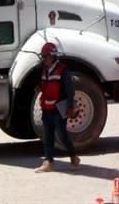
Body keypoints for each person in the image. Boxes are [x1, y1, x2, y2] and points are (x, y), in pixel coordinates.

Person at [35, 42, 81, 173]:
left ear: (53, 56)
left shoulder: (62, 70)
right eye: (43, 56)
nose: (44, 59)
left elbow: (69, 90)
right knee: (47, 136)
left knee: (62, 135)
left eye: (46, 56)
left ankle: (73, 156)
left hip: (58, 109)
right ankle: (48, 162)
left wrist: (70, 107)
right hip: (47, 109)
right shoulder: (43, 70)